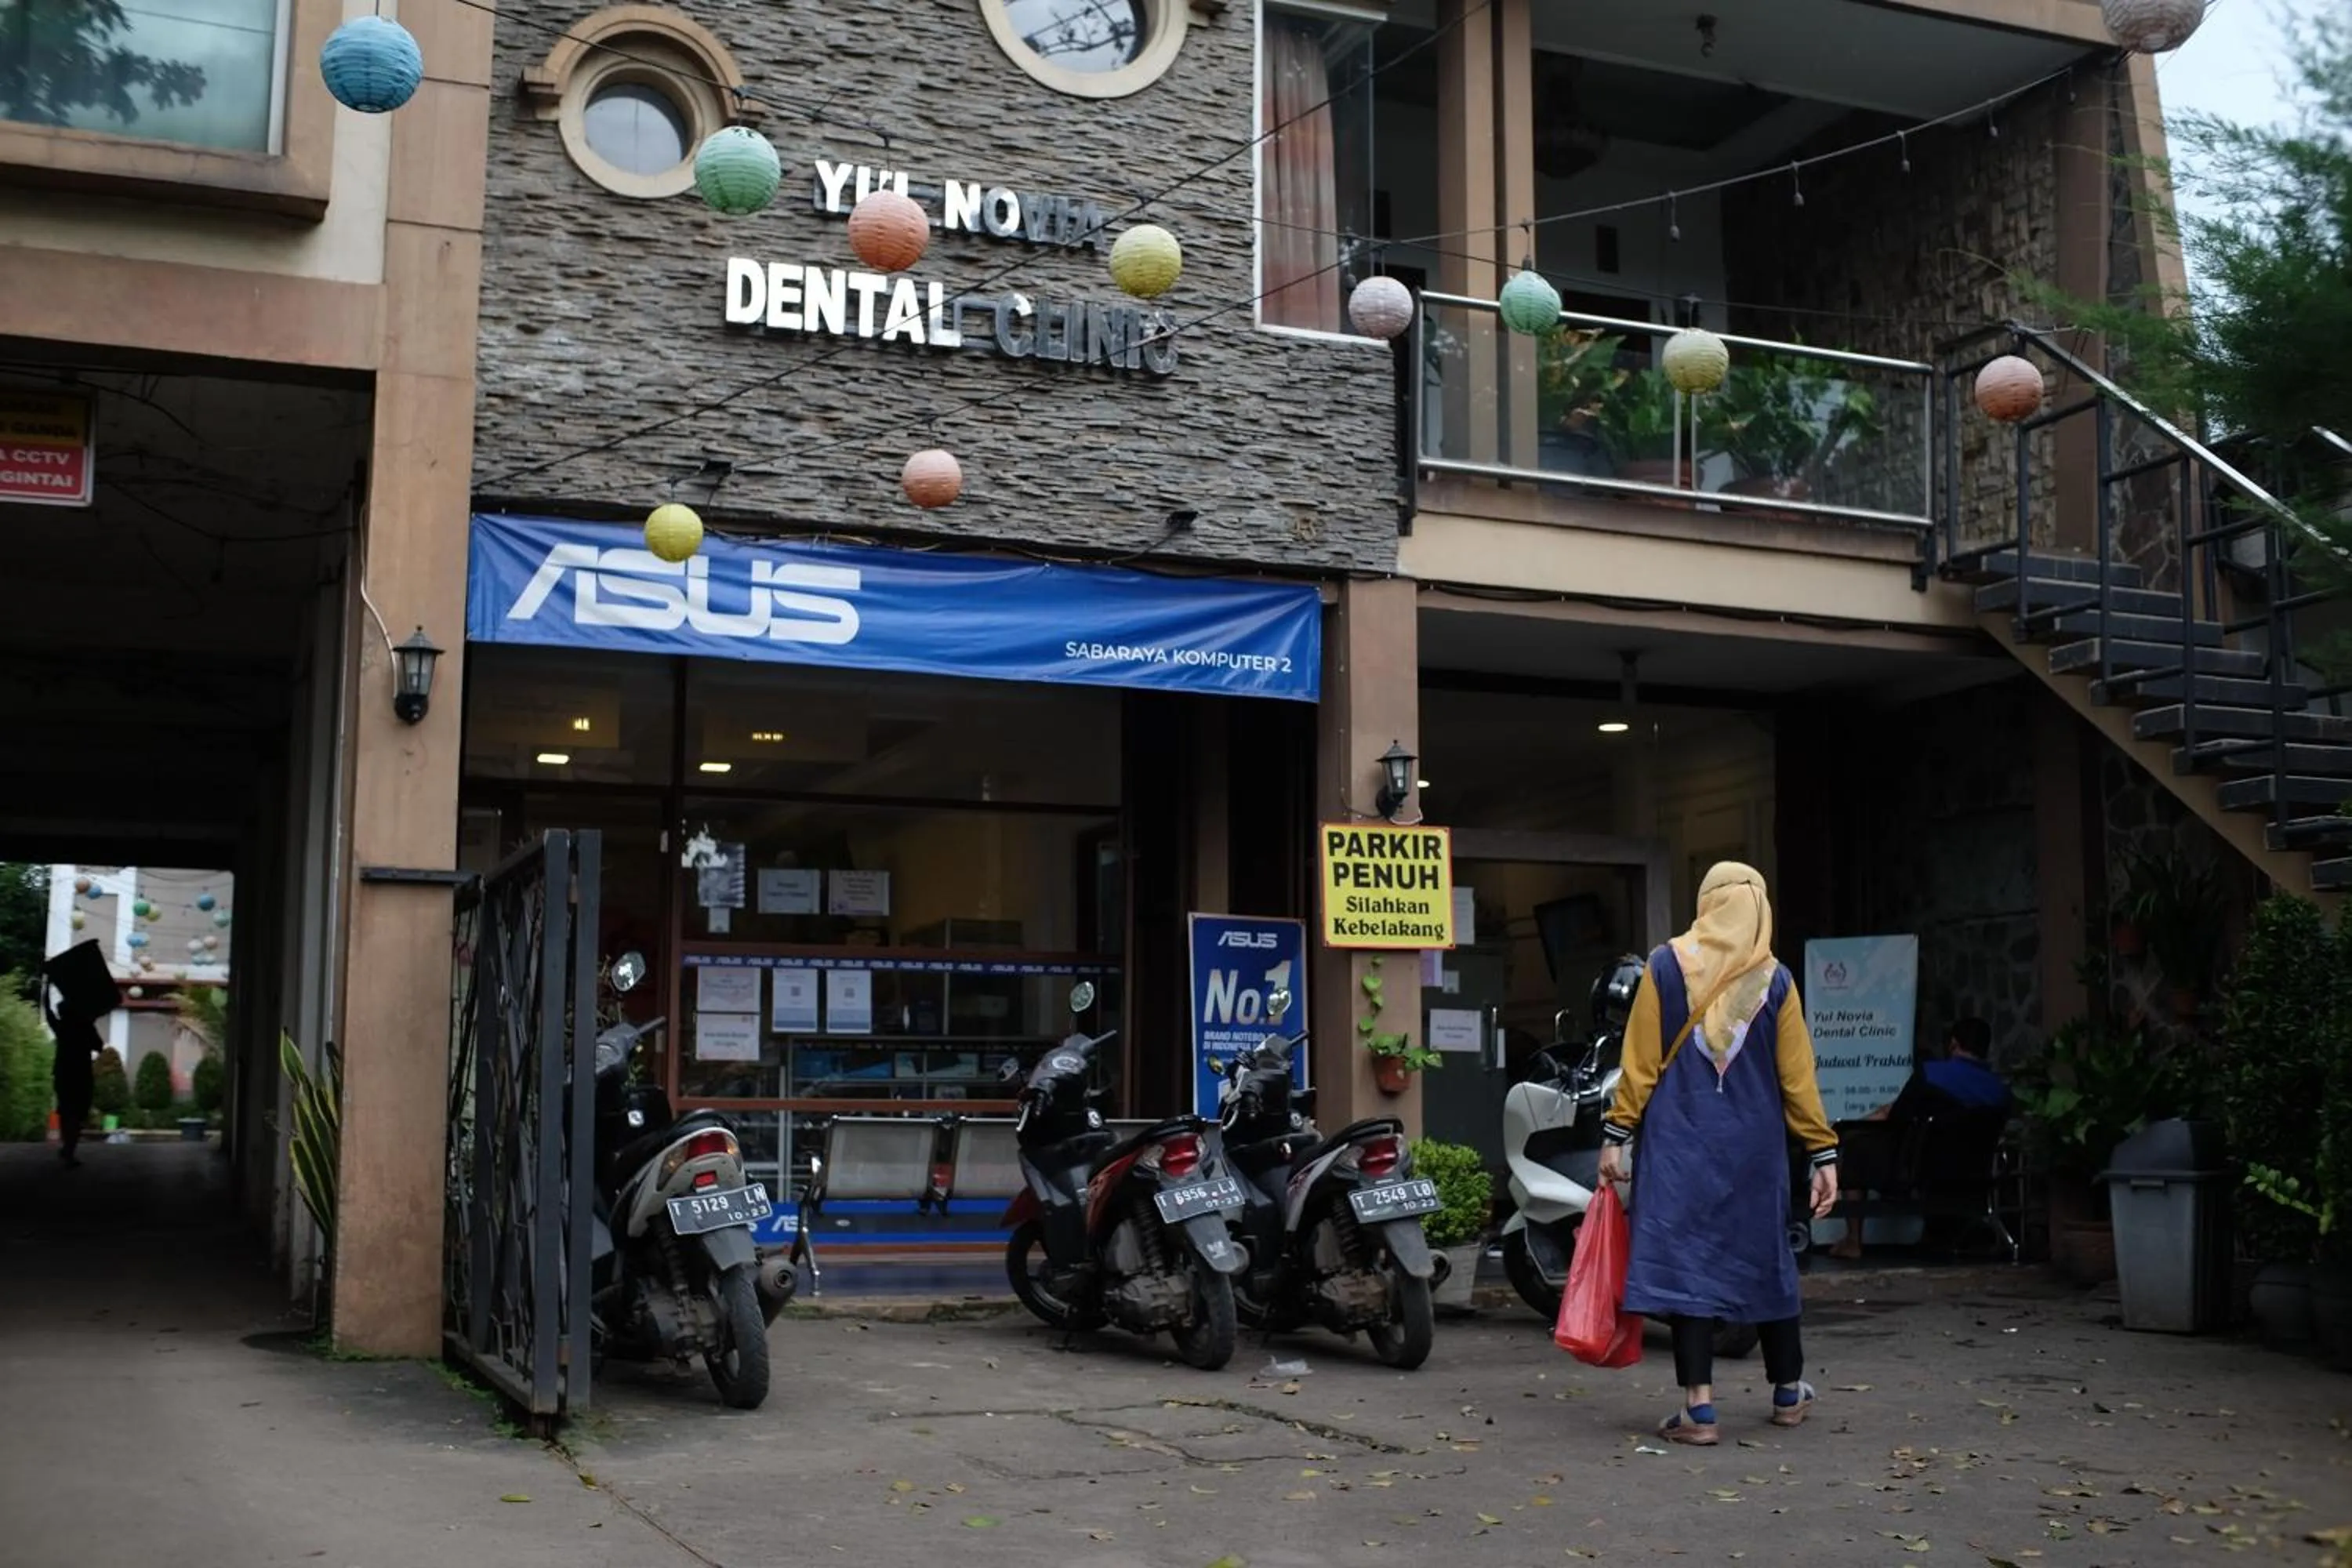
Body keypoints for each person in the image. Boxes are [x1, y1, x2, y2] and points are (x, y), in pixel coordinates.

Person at [1595, 862, 1838, 1446]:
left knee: (1687, 1268)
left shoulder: (1664, 966)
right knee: (1768, 1258)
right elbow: (1797, 1078)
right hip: (1755, 1151)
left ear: (1707, 905)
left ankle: (1699, 1409)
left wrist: (1618, 1132)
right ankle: (1786, 1393)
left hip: (1679, 1148)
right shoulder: (1774, 980)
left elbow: (1641, 1062)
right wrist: (1823, 1152)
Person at [1830, 1018, 2012, 1260]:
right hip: (1976, 1176)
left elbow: (1897, 1119)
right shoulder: (2000, 1091)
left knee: (1855, 1150)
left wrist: (1845, 1129)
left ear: (1954, 1044)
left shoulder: (1932, 1074)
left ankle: (1853, 1241)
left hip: (1923, 1171)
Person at [43, 978, 103, 1167]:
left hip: (63, 1073)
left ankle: (67, 1148)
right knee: (77, 1114)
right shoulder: (85, 1028)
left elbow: (47, 1012)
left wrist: (46, 987)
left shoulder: (61, 1027)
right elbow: (99, 1046)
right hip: (81, 1075)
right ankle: (69, 1149)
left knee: (66, 1110)